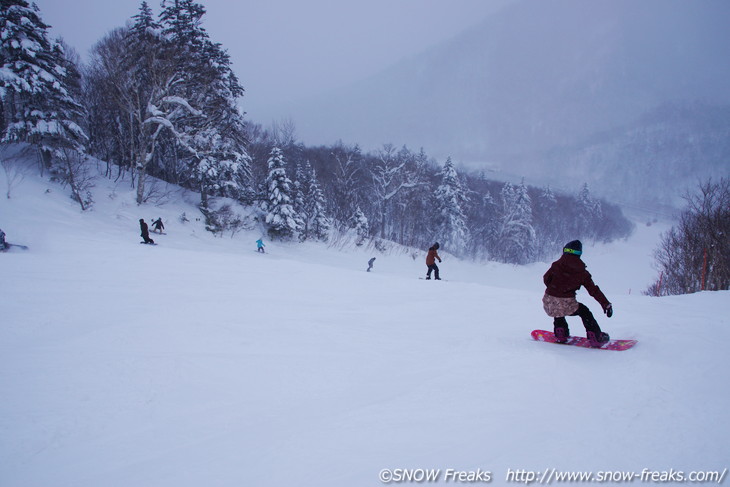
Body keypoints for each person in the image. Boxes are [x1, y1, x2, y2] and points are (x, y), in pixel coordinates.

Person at [542, 240, 612, 347]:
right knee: (584, 311)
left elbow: (546, 279)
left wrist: (555, 290)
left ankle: (561, 332)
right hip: (566, 304)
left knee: (557, 307)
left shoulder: (556, 265)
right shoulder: (582, 272)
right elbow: (593, 290)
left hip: (548, 302)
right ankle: (595, 336)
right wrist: (605, 304)